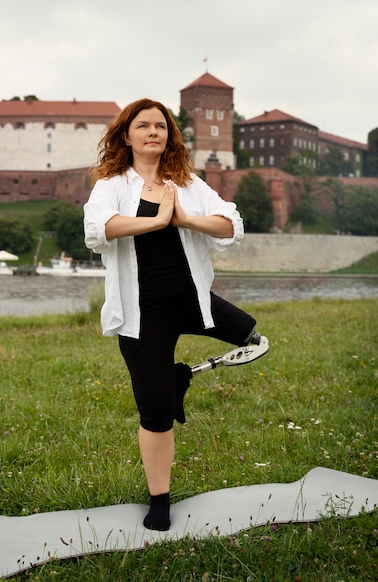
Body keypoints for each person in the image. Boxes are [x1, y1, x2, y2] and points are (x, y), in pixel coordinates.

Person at [83, 98, 266, 532]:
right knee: (156, 413)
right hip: (143, 313)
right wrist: (155, 220)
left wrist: (184, 218)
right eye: (143, 126)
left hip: (194, 302)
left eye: (161, 127)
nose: (153, 132)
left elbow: (232, 224)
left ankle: (182, 375)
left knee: (257, 340)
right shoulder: (112, 184)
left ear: (169, 135)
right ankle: (160, 500)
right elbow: (98, 230)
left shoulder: (187, 182)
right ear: (125, 135)